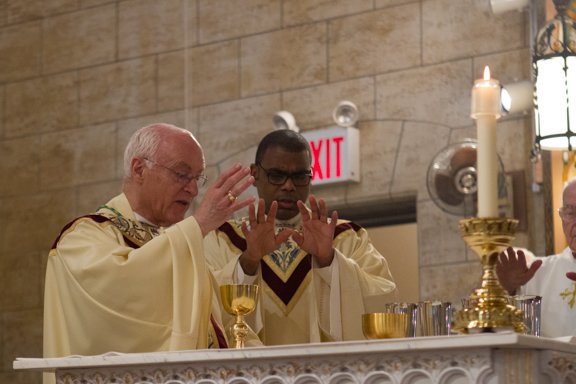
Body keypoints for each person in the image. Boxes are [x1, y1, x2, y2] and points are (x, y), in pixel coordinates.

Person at [43, 123, 259, 383]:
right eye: (182, 174)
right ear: (139, 169)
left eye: (197, 178)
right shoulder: (82, 239)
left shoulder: (180, 243)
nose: (193, 189)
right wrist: (199, 225)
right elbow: (120, 294)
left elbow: (220, 328)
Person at [204, 129, 397, 344]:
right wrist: (248, 261)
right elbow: (201, 304)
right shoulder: (222, 238)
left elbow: (384, 300)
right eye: (276, 175)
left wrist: (329, 261)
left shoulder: (346, 237)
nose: (289, 186)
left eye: (300, 177)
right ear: (255, 174)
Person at [496, 178, 576, 338]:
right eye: (570, 213)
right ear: (561, 217)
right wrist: (507, 290)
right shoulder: (536, 275)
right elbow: (506, 336)